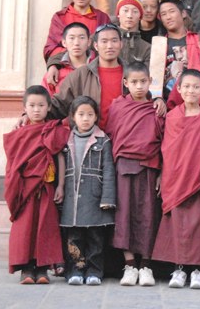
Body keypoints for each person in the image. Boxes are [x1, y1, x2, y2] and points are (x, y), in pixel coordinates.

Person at [152, 69, 200, 289]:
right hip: (174, 178)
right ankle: (179, 269)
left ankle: (198, 271)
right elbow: (166, 149)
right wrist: (161, 173)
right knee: (177, 226)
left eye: (196, 87)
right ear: (178, 88)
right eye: (186, 86)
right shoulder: (173, 116)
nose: (191, 90)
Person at [107, 62, 165, 287]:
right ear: (126, 83)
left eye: (143, 81)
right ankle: (130, 264)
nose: (139, 86)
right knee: (124, 216)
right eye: (134, 82)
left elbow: (163, 143)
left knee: (149, 216)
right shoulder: (118, 107)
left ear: (150, 82)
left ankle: (146, 266)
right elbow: (112, 135)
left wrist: (162, 173)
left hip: (150, 167)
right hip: (123, 167)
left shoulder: (156, 108)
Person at [3, 85, 68, 284]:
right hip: (25, 188)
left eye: (41, 105)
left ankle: (42, 269)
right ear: (25, 108)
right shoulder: (20, 132)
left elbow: (59, 157)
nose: (37, 109)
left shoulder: (52, 130)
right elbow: (14, 162)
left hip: (47, 186)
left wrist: (60, 186)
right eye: (32, 105)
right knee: (25, 227)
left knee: (45, 227)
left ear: (49, 107)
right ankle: (26, 269)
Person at [48, 23, 166, 131]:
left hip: (124, 139)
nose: (109, 46)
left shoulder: (132, 74)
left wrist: (158, 100)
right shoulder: (81, 75)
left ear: (121, 44)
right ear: (96, 45)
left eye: (114, 41)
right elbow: (58, 106)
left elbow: (147, 97)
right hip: (90, 142)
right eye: (104, 41)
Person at [58, 96, 116, 286]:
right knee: (73, 238)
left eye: (90, 114)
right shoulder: (65, 140)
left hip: (94, 198)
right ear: (73, 117)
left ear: (96, 117)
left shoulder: (103, 140)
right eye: (81, 114)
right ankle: (75, 270)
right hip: (72, 199)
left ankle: (94, 272)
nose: (85, 119)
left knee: (95, 239)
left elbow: (108, 170)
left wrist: (108, 197)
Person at [44, 0, 110, 61]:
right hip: (66, 67)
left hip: (94, 68)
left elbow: (108, 47)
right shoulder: (60, 17)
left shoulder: (102, 18)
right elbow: (51, 48)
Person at [42, 22, 96, 95]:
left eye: (82, 38)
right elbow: (45, 101)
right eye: (72, 38)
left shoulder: (98, 67)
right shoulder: (54, 74)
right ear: (64, 43)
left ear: (89, 42)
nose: (76, 43)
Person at [158, 0, 199, 93]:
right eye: (163, 14)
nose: (168, 17)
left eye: (172, 11)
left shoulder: (198, 40)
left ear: (183, 13)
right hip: (168, 100)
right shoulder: (159, 45)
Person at [115, 0, 151, 64]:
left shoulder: (146, 48)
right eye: (125, 10)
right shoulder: (107, 41)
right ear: (118, 14)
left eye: (135, 11)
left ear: (140, 16)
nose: (129, 16)